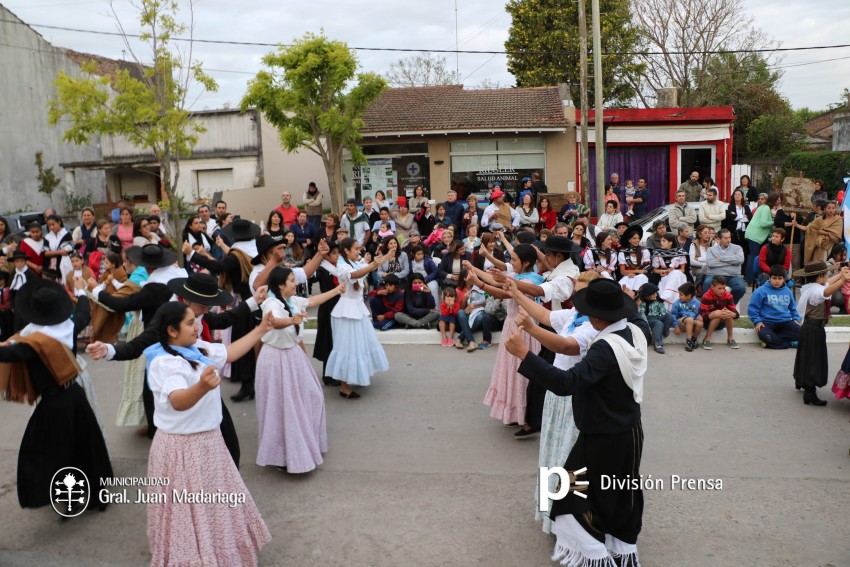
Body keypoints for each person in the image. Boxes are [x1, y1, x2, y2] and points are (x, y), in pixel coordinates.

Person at [506, 277, 645, 567]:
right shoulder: (635, 330)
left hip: (605, 435)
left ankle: (596, 556)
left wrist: (524, 354)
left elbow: (567, 382)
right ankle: (620, 550)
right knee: (616, 492)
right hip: (628, 431)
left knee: (571, 496)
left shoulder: (603, 347)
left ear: (596, 317)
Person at [142, 302, 272, 565]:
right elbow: (178, 400)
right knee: (188, 511)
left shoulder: (196, 349)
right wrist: (201, 387)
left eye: (196, 320)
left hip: (208, 443)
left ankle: (217, 552)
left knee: (213, 507)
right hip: (182, 449)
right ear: (171, 330)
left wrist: (260, 329)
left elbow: (230, 352)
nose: (198, 326)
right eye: (190, 323)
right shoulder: (165, 362)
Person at [0, 278, 113, 510]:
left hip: (55, 402)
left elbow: (10, 353)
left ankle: (63, 493)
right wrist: (82, 291)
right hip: (76, 392)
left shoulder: (32, 343)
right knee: (83, 445)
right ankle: (87, 493)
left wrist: (9, 345)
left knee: (44, 450)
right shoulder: (68, 326)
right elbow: (83, 312)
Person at [256, 267, 344, 473]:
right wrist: (291, 320)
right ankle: (282, 457)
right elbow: (273, 321)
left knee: (312, 396)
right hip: (275, 359)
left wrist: (337, 290)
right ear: (280, 285)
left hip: (293, 355)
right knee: (281, 407)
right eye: (291, 280)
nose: (295, 284)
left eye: (295, 280)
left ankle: (305, 444)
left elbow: (312, 301)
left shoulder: (294, 300)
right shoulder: (271, 302)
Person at [465, 244, 545, 430]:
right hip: (512, 325)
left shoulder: (531, 282)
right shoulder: (517, 277)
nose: (511, 262)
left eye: (514, 260)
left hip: (523, 329)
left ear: (526, 263)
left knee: (520, 371)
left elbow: (501, 291)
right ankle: (515, 412)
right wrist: (473, 269)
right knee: (510, 369)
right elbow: (495, 280)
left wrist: (478, 282)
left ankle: (523, 414)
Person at [324, 237, 389, 399]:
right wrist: (374, 264)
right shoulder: (342, 265)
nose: (359, 251)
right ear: (346, 250)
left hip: (357, 308)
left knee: (359, 346)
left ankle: (355, 377)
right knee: (347, 348)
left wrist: (384, 258)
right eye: (356, 249)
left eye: (359, 249)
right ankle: (344, 387)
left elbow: (364, 267)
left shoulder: (353, 262)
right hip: (346, 310)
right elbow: (355, 274)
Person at [793, 262, 850, 406]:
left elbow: (827, 284)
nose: (827, 277)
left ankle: (802, 381)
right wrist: (843, 280)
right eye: (825, 274)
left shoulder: (810, 286)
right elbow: (826, 292)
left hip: (809, 327)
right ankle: (810, 393)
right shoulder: (816, 291)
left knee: (806, 356)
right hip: (813, 328)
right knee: (814, 360)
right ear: (819, 277)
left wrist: (840, 274)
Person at [748, 264, 801, 349]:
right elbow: (752, 309)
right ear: (769, 278)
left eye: (780, 279)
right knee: (765, 335)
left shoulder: (787, 291)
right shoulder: (760, 291)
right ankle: (788, 343)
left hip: (785, 322)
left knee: (801, 332)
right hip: (767, 323)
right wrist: (757, 321)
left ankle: (773, 342)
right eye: (774, 278)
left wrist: (796, 319)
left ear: (784, 279)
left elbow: (793, 308)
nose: (777, 281)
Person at [744, 192, 782, 284]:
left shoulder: (764, 207)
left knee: (753, 256)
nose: (779, 201)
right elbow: (763, 223)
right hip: (755, 235)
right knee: (754, 257)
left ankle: (751, 278)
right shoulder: (765, 208)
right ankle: (750, 279)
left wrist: (772, 235)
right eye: (777, 199)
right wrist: (774, 221)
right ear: (773, 200)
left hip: (754, 234)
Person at [704, 228, 746, 304]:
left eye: (729, 237)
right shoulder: (711, 250)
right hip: (714, 275)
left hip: (733, 276)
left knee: (741, 288)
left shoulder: (737, 248)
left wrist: (721, 259)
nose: (728, 240)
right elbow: (710, 263)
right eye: (725, 238)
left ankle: (729, 306)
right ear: (719, 239)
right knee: (707, 283)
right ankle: (708, 308)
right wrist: (732, 262)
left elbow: (740, 260)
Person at [700, 275, 740, 349]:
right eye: (719, 288)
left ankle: (730, 338)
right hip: (708, 323)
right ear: (712, 287)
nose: (722, 291)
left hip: (722, 323)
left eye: (724, 288)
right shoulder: (706, 296)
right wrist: (713, 314)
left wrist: (733, 314)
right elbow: (702, 315)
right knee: (717, 316)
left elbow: (735, 312)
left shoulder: (728, 296)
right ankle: (707, 339)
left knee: (728, 315)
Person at [652, 233, 688, 307]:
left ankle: (666, 296)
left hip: (679, 276)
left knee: (675, 273)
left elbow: (683, 270)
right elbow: (655, 270)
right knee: (668, 278)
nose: (661, 242)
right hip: (665, 276)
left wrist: (672, 271)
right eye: (661, 241)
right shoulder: (657, 253)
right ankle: (671, 304)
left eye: (664, 241)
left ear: (671, 242)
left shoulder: (680, 253)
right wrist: (665, 271)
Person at [637, 282, 673, 353]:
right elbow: (643, 317)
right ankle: (658, 344)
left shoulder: (658, 300)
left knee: (669, 315)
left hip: (658, 316)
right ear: (645, 296)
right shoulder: (643, 303)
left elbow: (663, 312)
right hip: (649, 319)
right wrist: (648, 328)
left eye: (656, 293)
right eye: (652, 294)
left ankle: (665, 331)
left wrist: (664, 316)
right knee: (658, 324)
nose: (655, 295)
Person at [723, 188, 752, 273]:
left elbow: (749, 217)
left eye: (739, 194)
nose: (737, 196)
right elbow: (731, 218)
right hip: (734, 233)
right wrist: (742, 217)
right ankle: (733, 271)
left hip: (744, 233)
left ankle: (743, 271)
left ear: (742, 196)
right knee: (734, 252)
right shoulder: (730, 206)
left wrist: (738, 217)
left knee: (744, 253)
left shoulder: (746, 207)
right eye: (735, 194)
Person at [804, 200, 842, 264]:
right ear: (824, 209)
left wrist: (825, 233)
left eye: (833, 208)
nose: (831, 210)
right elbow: (810, 229)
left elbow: (837, 236)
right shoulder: (819, 220)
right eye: (829, 208)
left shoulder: (838, 220)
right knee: (818, 267)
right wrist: (796, 225)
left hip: (833, 247)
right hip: (820, 247)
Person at [672, 281, 703, 351]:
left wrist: (699, 316)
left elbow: (699, 313)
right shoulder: (677, 303)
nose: (679, 296)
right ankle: (688, 341)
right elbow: (673, 315)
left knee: (700, 323)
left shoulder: (697, 303)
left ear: (689, 296)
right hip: (681, 322)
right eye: (679, 294)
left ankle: (694, 339)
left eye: (681, 295)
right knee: (689, 319)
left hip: (692, 322)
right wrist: (676, 326)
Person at [618, 225, 650, 292]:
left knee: (640, 280)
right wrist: (636, 271)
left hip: (641, 276)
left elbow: (647, 268)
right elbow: (622, 271)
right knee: (621, 288)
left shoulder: (644, 251)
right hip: (628, 276)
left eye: (638, 238)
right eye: (634, 238)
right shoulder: (623, 253)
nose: (637, 240)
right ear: (629, 240)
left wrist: (637, 273)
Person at [43, 215, 73, 283]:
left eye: (53, 224)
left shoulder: (66, 234)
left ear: (59, 222)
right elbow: (45, 253)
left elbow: (66, 251)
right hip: (51, 265)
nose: (51, 227)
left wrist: (52, 252)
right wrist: (59, 252)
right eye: (49, 225)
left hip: (64, 263)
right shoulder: (48, 236)